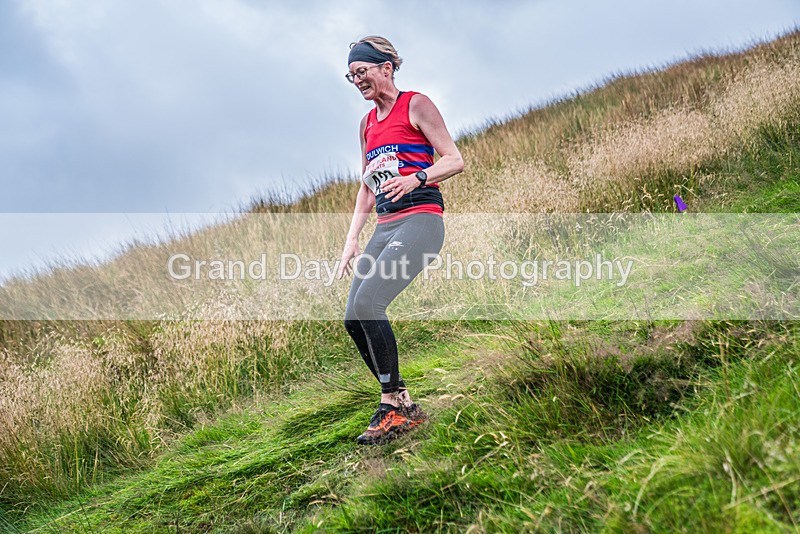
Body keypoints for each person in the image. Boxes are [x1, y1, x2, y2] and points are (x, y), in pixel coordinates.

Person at [336, 36, 464, 445]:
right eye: (351, 75)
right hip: (384, 226)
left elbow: (454, 159)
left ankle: (391, 405)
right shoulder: (367, 124)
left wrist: (416, 177)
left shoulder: (416, 104)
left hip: (421, 221)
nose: (357, 80)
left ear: (386, 67)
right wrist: (351, 240)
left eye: (363, 71)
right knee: (354, 316)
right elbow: (366, 187)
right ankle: (403, 402)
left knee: (370, 302)